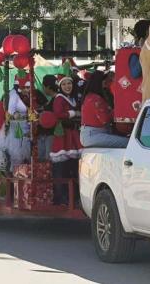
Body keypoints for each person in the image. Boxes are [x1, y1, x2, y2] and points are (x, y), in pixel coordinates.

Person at [50, 76, 83, 206]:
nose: (67, 86)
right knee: (61, 168)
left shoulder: (73, 98)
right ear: (60, 86)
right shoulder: (59, 98)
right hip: (64, 136)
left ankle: (71, 197)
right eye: (64, 84)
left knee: (73, 168)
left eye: (69, 83)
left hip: (73, 135)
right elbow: (58, 114)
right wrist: (74, 114)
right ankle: (61, 197)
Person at [80, 71, 129, 148]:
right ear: (99, 82)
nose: (106, 82)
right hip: (94, 135)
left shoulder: (90, 96)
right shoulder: (95, 98)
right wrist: (117, 109)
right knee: (128, 142)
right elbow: (105, 120)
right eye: (104, 80)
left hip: (91, 134)